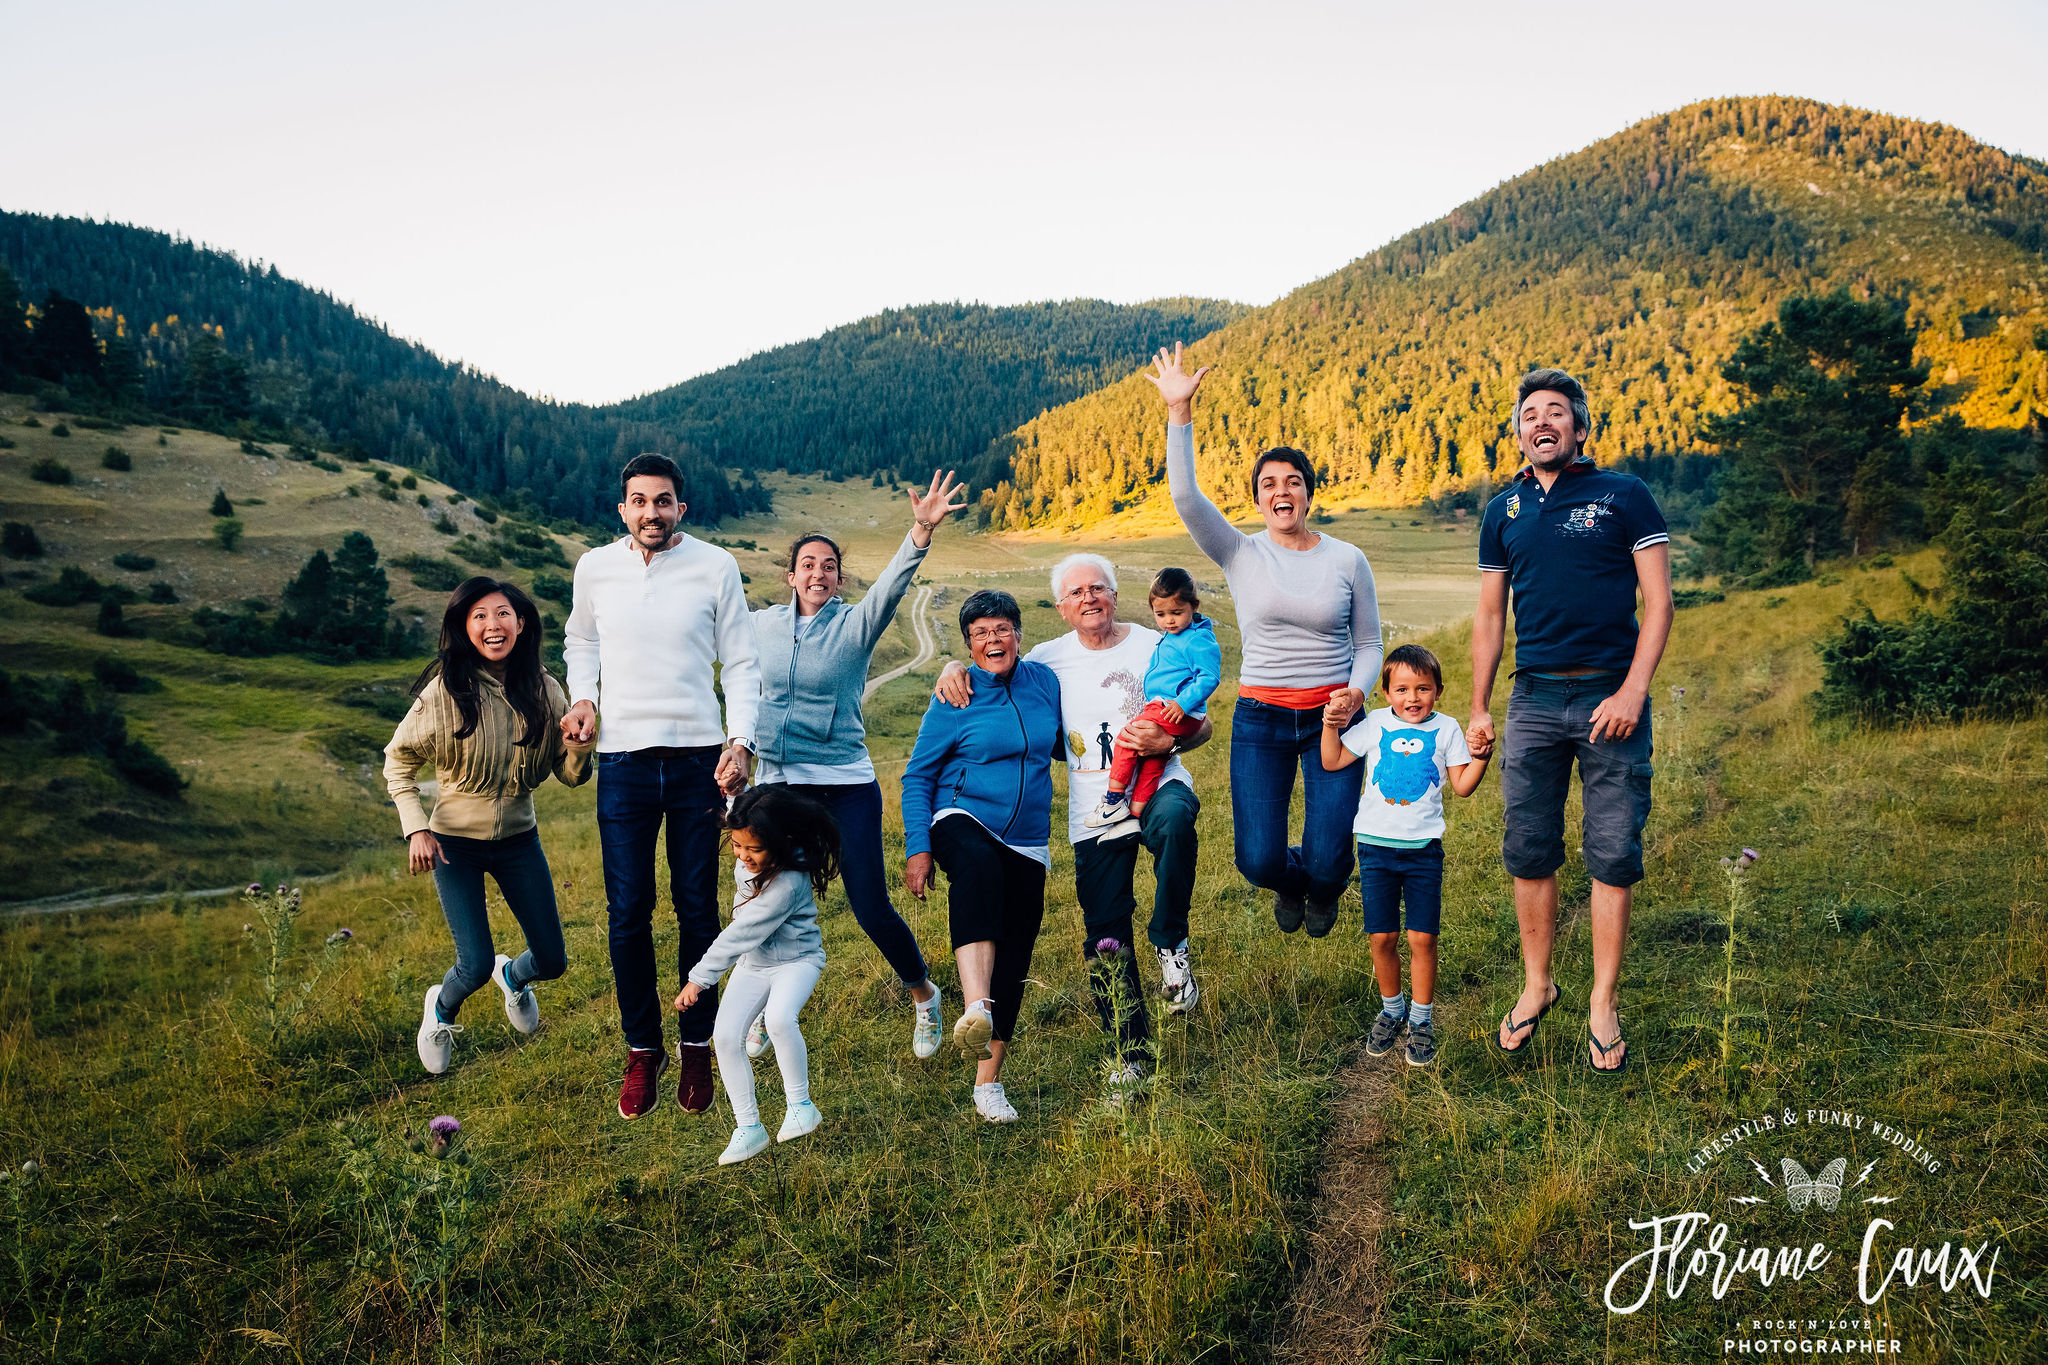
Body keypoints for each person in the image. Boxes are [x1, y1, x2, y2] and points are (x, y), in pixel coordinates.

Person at [935, 555, 1213, 1098]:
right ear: (1061, 607)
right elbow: (994, 666)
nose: (1089, 599)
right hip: (1093, 811)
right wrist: (952, 666)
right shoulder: (1046, 660)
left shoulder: (1155, 643)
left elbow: (1203, 724)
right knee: (1106, 936)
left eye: (1098, 588)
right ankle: (1129, 1057)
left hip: (1157, 784)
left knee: (1178, 820)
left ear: (1115, 594)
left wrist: (1172, 741)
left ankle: (1171, 944)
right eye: (1076, 592)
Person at [1470, 368, 1673, 1075]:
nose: (1543, 422)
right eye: (1531, 414)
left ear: (1580, 428)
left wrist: (1632, 692)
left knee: (1612, 850)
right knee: (1529, 846)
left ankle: (1603, 1000)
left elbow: (1659, 603)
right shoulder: (1505, 511)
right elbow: (1492, 617)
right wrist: (1477, 705)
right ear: (1520, 432)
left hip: (1610, 697)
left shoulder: (1624, 495)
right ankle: (1538, 983)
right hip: (1533, 700)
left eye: (1557, 412)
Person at [1149, 342, 1384, 937]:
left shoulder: (1348, 559)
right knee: (1257, 859)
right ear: (1258, 498)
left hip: (1337, 718)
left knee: (1333, 859)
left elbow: (1369, 647)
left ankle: (1324, 886)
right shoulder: (1239, 552)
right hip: (1262, 719)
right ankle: (1290, 881)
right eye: (1270, 483)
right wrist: (1180, 413)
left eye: (1295, 482)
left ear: (1309, 493)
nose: (1283, 492)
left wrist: (1357, 694)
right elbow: (1184, 498)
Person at [562, 452, 762, 1121]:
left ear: (682, 506)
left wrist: (741, 739)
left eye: (664, 500)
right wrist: (583, 700)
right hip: (621, 761)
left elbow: (739, 658)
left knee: (697, 908)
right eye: (640, 501)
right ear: (622, 508)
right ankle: (642, 1047)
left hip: (698, 759)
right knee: (627, 912)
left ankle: (696, 1040)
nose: (652, 511)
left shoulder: (715, 566)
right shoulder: (595, 566)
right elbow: (580, 643)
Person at [743, 472, 965, 1063]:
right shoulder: (758, 626)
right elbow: (738, 685)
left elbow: (895, 584)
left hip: (844, 785)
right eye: (808, 564)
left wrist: (921, 529)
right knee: (764, 902)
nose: (818, 574)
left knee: (868, 904)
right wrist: (736, 748)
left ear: (839, 578)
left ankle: (923, 993)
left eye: (829, 566)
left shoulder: (854, 625)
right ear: (790, 575)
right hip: (776, 786)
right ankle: (763, 1006)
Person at [384, 577, 592, 1075]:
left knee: (553, 961)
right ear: (464, 628)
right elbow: (398, 761)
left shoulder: (546, 690)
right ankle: (441, 1010)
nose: (492, 625)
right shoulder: (445, 690)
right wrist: (417, 828)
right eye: (478, 616)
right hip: (455, 844)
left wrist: (580, 747)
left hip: (520, 840)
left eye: (502, 614)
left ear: (521, 624)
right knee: (473, 964)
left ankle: (514, 977)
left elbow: (568, 776)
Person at [901, 590, 1064, 1123]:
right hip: (961, 816)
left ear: (1019, 632)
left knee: (1016, 956)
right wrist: (917, 847)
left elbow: (1066, 738)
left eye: (1001, 629)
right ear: (969, 645)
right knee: (977, 867)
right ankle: (976, 1005)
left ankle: (987, 1087)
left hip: (1029, 837)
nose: (993, 640)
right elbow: (918, 775)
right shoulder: (955, 695)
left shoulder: (1045, 682)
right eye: (980, 634)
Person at [1320, 645, 1491, 1068]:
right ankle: (1392, 1010)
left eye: (1422, 688)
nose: (1412, 698)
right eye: (1401, 689)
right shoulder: (1374, 724)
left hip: (1424, 852)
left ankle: (1421, 1019)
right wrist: (1330, 724)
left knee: (1422, 939)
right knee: (1383, 938)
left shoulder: (1448, 730)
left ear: (1438, 691)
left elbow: (1463, 786)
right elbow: (1332, 758)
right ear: (1385, 692)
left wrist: (1482, 758)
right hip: (1375, 849)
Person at [677, 786, 839, 1166]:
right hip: (754, 964)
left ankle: (801, 1106)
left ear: (781, 842)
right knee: (725, 1036)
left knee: (782, 1018)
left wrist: (700, 978)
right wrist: (734, 786)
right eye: (736, 846)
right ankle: (749, 1127)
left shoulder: (788, 883)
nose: (743, 857)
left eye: (754, 849)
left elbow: (743, 929)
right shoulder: (750, 852)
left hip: (797, 962)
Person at [1082, 567, 1220, 841]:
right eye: (1161, 614)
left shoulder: (1197, 638)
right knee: (1153, 762)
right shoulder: (1176, 635)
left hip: (1174, 708)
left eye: (1176, 613)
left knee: (1128, 739)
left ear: (1194, 607)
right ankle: (1133, 818)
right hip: (1175, 707)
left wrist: (1182, 703)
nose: (1169, 621)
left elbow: (1210, 677)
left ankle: (1112, 803)